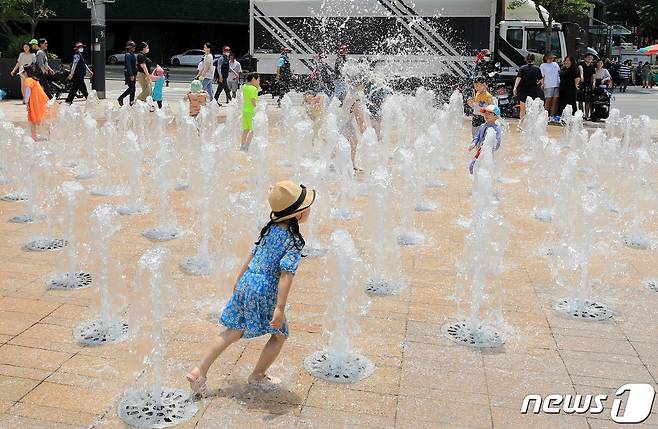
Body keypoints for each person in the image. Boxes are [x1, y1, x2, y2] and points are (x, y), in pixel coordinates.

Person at [186, 180, 315, 395]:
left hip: (247, 281)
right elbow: (286, 276)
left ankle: (200, 370)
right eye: (307, 207)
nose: (310, 210)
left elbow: (252, 254)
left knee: (233, 330)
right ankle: (256, 376)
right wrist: (280, 307)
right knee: (279, 335)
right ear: (298, 213)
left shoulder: (269, 229)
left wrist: (239, 278)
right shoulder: (293, 240)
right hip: (263, 288)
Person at [467, 105, 502, 175]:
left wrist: (492, 147)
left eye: (489, 114)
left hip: (489, 150)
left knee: (486, 164)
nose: (486, 115)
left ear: (496, 117)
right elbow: (477, 137)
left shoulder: (496, 128)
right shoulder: (482, 126)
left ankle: (490, 177)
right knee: (473, 165)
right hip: (480, 149)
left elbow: (498, 141)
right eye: (485, 113)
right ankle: (475, 178)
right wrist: (473, 143)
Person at [21, 65, 50, 140]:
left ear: (26, 72)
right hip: (41, 101)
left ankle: (34, 137)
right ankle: (48, 134)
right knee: (40, 118)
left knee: (33, 120)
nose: (22, 75)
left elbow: (28, 91)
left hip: (34, 102)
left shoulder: (28, 80)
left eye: (23, 73)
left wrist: (26, 103)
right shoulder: (34, 80)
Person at [513, 53, 542, 120]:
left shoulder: (522, 68)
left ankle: (521, 125)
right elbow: (541, 78)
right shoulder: (537, 68)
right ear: (534, 60)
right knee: (532, 109)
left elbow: (518, 78)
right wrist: (538, 83)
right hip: (533, 90)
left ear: (526, 59)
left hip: (523, 90)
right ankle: (531, 124)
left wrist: (515, 88)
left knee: (522, 109)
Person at [241, 72, 260, 152]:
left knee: (246, 129)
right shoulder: (254, 89)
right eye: (258, 79)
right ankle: (247, 146)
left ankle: (242, 145)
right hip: (251, 111)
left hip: (245, 110)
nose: (259, 81)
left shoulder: (245, 86)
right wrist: (258, 107)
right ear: (253, 79)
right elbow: (253, 100)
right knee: (252, 130)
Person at [540, 53, 560, 119]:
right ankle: (545, 116)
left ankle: (552, 116)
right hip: (548, 85)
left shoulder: (555, 64)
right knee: (548, 100)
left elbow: (559, 72)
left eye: (552, 58)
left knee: (555, 101)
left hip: (556, 84)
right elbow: (542, 76)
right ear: (546, 58)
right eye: (550, 58)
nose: (551, 59)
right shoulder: (543, 66)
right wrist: (542, 84)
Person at [118, 41, 137, 106]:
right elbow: (128, 65)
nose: (134, 47)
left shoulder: (131, 54)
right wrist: (131, 74)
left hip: (133, 74)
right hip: (129, 74)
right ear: (129, 47)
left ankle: (131, 103)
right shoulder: (128, 54)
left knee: (133, 89)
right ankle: (121, 98)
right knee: (132, 89)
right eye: (133, 46)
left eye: (134, 46)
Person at [578, 53, 596, 120]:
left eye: (591, 58)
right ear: (585, 58)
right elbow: (580, 68)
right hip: (581, 84)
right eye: (588, 57)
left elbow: (593, 76)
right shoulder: (581, 64)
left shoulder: (592, 66)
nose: (590, 58)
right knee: (580, 100)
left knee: (587, 100)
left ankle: (586, 115)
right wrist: (582, 75)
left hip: (589, 84)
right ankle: (581, 114)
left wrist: (594, 83)